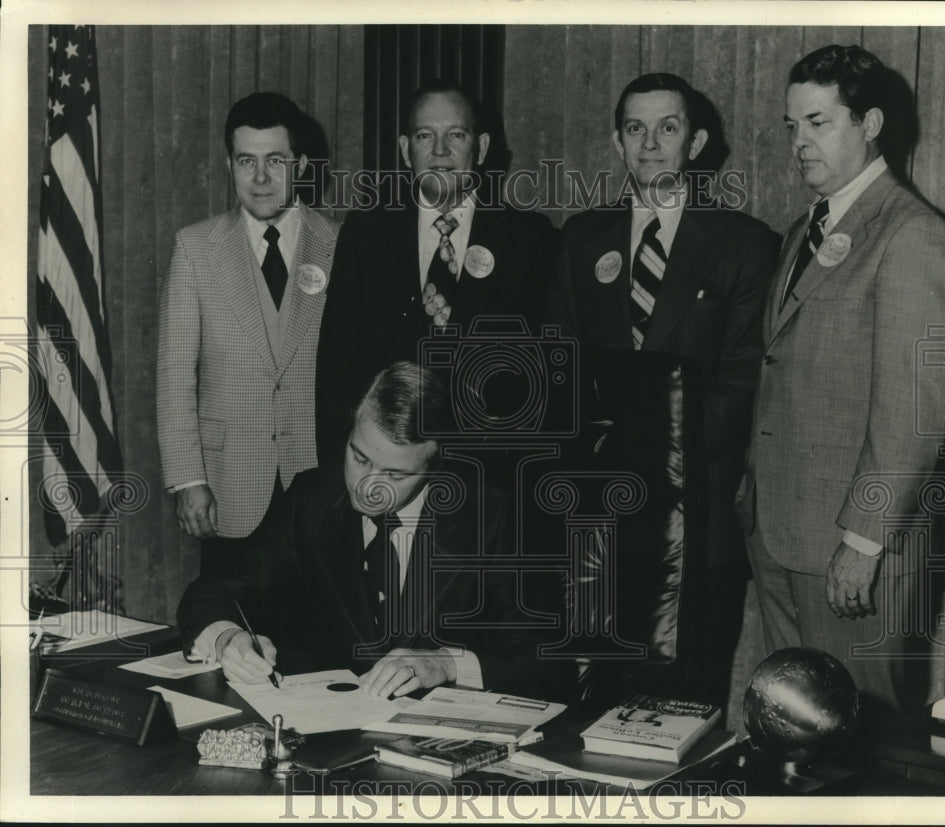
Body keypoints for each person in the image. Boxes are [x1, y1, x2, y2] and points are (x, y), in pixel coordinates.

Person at [736, 45, 945, 721]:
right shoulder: (801, 230)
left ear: (869, 123)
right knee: (795, 736)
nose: (799, 142)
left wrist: (863, 541)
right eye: (790, 127)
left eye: (817, 122)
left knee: (864, 746)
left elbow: (913, 414)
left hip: (856, 550)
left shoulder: (914, 236)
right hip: (780, 535)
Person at [547, 73, 778, 709]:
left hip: (698, 514)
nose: (650, 144)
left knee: (685, 699)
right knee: (593, 694)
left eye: (667, 128)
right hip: (597, 513)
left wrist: (659, 464)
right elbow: (559, 362)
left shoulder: (745, 244)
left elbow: (743, 377)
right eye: (635, 128)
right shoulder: (580, 239)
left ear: (696, 143)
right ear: (618, 143)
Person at [177, 362, 571, 701]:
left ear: (435, 469)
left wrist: (447, 663)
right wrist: (228, 638)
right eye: (359, 457)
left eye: (395, 474)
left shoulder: (493, 518)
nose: (368, 486)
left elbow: (549, 662)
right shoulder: (311, 500)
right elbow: (213, 589)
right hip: (329, 736)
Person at [314, 81, 557, 465]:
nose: (440, 151)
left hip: (490, 475)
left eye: (456, 135)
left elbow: (545, 379)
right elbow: (336, 367)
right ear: (406, 150)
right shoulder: (365, 234)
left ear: (481, 149)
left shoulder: (531, 240)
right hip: (386, 468)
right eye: (425, 135)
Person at [156, 92, 339, 573]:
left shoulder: (341, 245)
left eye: (275, 161)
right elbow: (175, 375)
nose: (260, 179)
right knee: (228, 628)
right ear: (229, 164)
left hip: (319, 484)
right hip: (228, 486)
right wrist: (187, 480)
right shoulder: (195, 248)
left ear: (299, 164)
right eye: (246, 161)